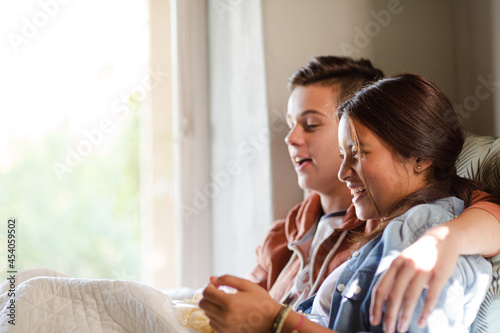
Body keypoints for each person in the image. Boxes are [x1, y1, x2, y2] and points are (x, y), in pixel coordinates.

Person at [200, 73, 498, 332]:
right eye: (344, 157)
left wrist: (276, 321)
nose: (344, 173)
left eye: (358, 154)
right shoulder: (390, 228)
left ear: (420, 158)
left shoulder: (420, 234)